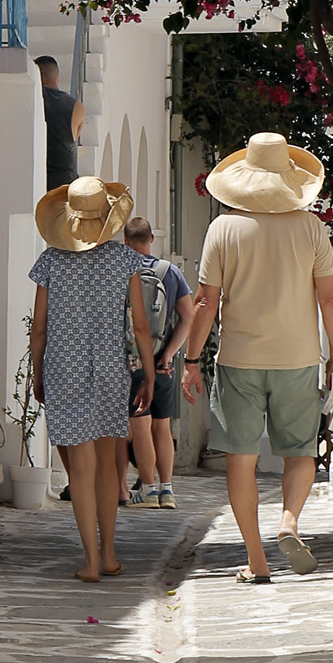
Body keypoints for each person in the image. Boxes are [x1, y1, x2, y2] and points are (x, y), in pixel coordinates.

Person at [181, 131, 333, 583]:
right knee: (300, 452)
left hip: (239, 360)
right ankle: (289, 521)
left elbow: (205, 302)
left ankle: (256, 560)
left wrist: (191, 361)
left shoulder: (223, 229)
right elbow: (330, 299)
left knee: (241, 458)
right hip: (297, 358)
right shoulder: (311, 228)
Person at [29, 175, 155, 584]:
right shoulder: (125, 260)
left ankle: (90, 560)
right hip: (110, 369)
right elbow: (140, 326)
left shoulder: (51, 261)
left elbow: (39, 329)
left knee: (80, 470)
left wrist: (38, 374)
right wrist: (149, 375)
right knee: (106, 464)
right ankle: (110, 555)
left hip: (63, 368)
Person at [122, 215, 192, 510]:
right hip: (163, 362)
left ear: (125, 242)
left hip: (132, 362)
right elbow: (187, 317)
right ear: (151, 239)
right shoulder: (170, 271)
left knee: (140, 425)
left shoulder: (121, 271)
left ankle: (148, 490)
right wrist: (169, 354)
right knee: (162, 426)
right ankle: (167, 490)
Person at [35, 54, 85, 192]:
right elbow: (74, 136)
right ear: (57, 78)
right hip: (65, 185)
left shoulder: (32, 99)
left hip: (37, 180)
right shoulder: (77, 107)